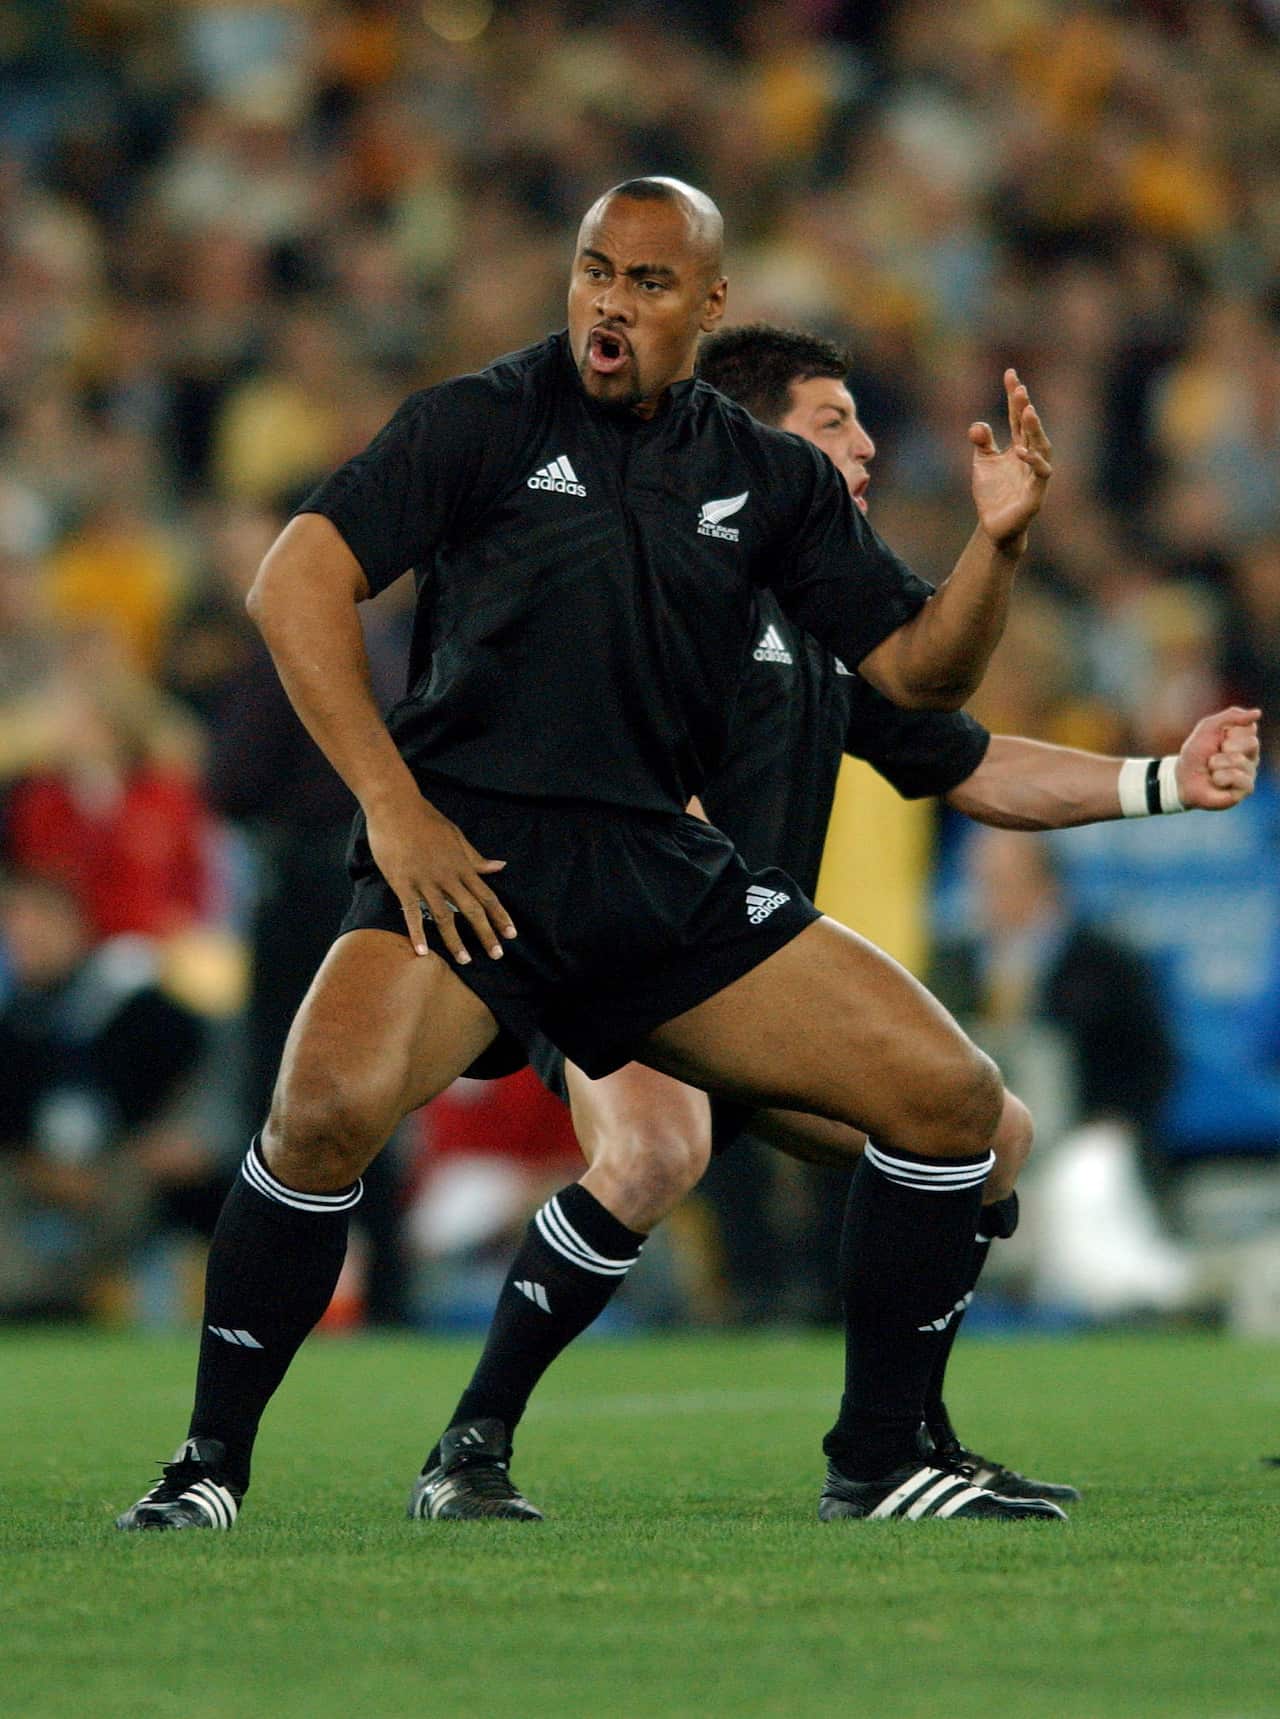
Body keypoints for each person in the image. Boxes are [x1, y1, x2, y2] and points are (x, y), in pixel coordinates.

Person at [118, 174, 1062, 1533]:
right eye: (593, 270)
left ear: (710, 304)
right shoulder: (481, 419)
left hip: (651, 862)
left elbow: (917, 673)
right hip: (471, 859)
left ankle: (877, 1459)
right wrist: (393, 806)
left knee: (953, 1102)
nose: (609, 303)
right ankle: (206, 1466)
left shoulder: (772, 478)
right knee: (316, 1116)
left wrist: (997, 547)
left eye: (647, 282)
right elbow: (294, 581)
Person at [413, 322, 1259, 1518]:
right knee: (656, 1149)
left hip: (748, 973)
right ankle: (467, 1449)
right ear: (747, 444)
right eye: (832, 423)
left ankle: (903, 1443)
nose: (865, 446)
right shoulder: (651, 573)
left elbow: (969, 763)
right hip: (621, 946)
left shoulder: (824, 610)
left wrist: (1163, 778)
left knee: (988, 1135)